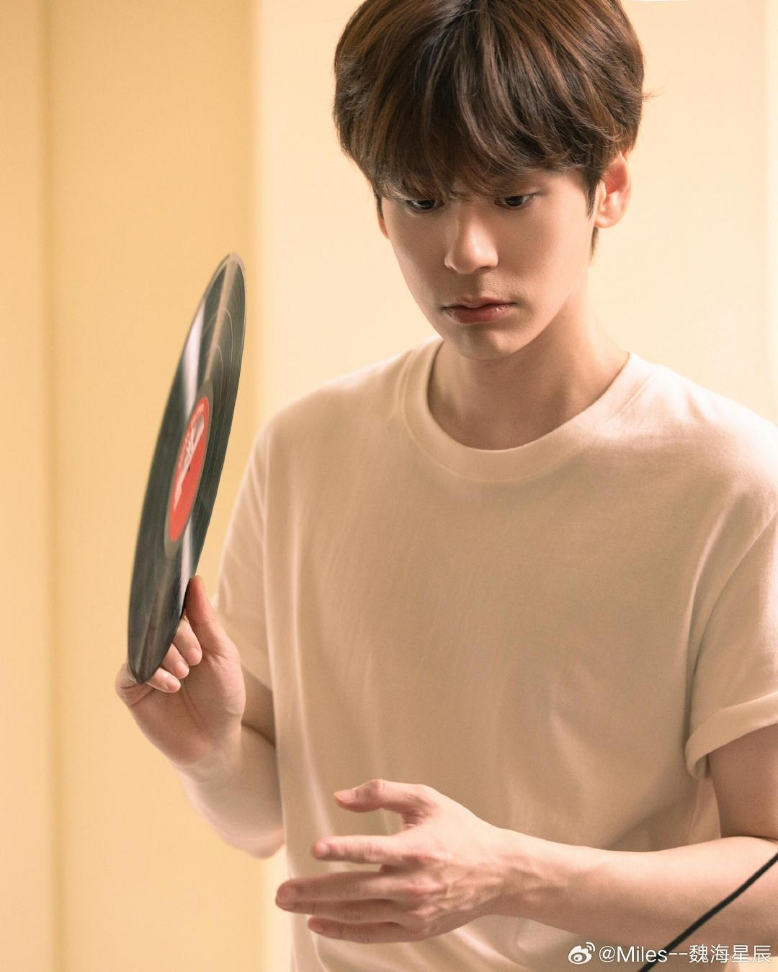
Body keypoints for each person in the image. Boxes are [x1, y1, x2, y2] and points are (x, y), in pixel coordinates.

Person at [116, 1, 778, 969]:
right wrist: (209, 751)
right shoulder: (303, 454)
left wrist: (512, 875)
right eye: (422, 199)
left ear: (608, 189)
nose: (465, 251)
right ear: (378, 205)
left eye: (512, 196)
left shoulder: (729, 484)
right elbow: (264, 820)